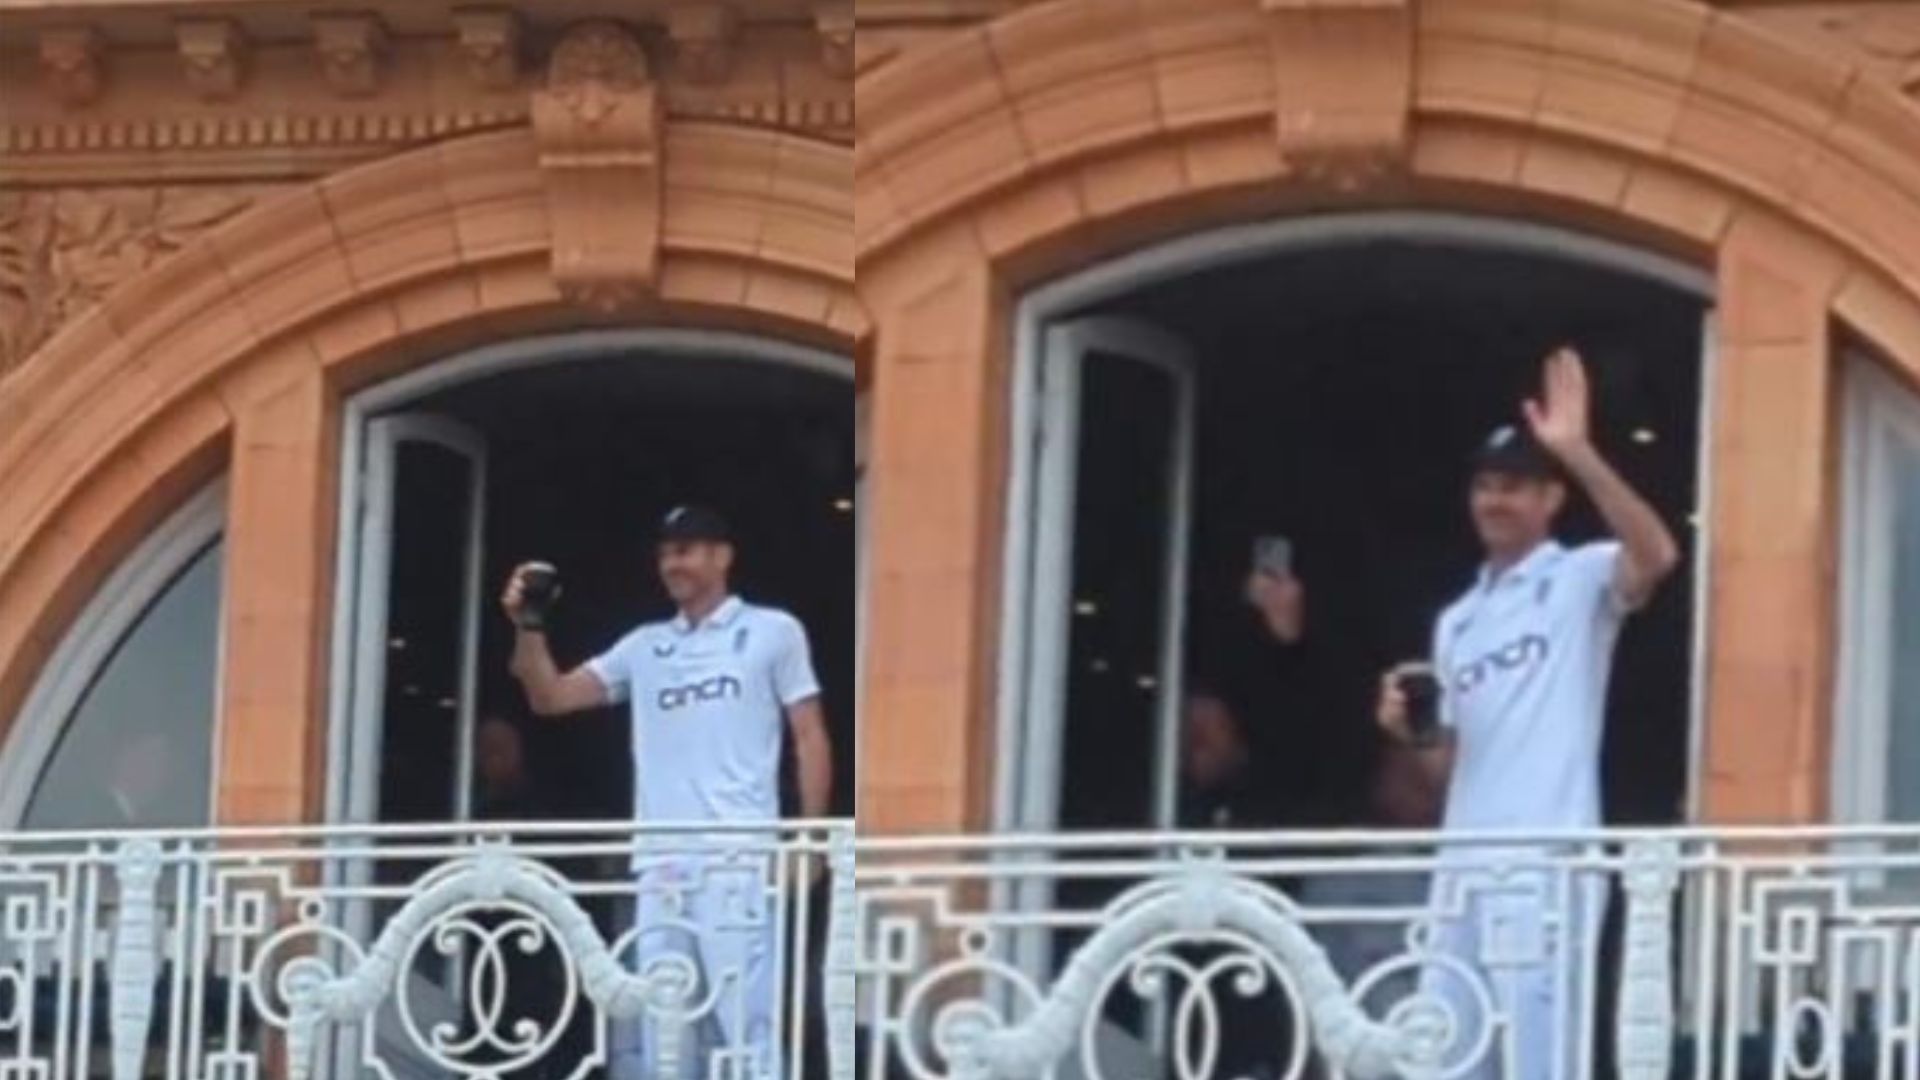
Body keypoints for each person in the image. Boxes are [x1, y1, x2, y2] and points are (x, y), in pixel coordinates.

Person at [1376, 346, 1679, 1080]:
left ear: (1550, 500)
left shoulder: (1576, 579)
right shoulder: (1457, 619)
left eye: (1514, 486)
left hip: (1548, 862)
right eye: (1484, 486)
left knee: (1543, 1065)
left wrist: (1577, 451)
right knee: (1446, 1062)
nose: (1495, 501)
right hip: (1461, 872)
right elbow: (1448, 766)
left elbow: (1658, 554)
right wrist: (1409, 732)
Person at [501, 505, 834, 1080]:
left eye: (685, 550)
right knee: (663, 1034)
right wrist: (528, 624)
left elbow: (809, 733)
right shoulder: (645, 645)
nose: (671, 563)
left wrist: (806, 837)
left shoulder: (772, 631)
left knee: (747, 1029)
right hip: (660, 869)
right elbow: (550, 697)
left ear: (722, 556)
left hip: (739, 862)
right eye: (664, 554)